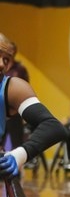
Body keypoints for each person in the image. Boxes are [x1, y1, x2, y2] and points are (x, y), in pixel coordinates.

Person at [0, 33, 65, 181]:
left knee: (15, 142)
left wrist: (19, 155)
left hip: (15, 113)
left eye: (6, 59)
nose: (2, 64)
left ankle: (17, 168)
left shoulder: (13, 87)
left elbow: (53, 127)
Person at [3, 40, 30, 151]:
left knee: (17, 144)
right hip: (1, 109)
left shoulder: (20, 69)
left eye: (11, 50)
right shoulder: (1, 66)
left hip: (14, 111)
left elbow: (25, 89)